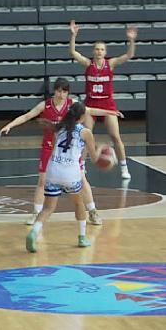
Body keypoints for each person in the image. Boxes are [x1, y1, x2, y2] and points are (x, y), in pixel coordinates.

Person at [0, 77, 123, 226]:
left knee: (82, 181)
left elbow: (89, 110)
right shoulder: (45, 105)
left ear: (68, 93)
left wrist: (109, 112)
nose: (61, 94)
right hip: (49, 148)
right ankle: (35, 213)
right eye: (58, 91)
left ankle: (92, 211)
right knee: (42, 181)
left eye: (64, 91)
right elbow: (27, 116)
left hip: (70, 150)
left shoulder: (72, 105)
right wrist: (10, 125)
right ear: (54, 91)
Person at [25, 102, 98, 253]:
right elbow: (95, 158)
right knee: (79, 204)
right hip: (70, 173)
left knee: (48, 208)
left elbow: (53, 150)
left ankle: (34, 232)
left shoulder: (59, 129)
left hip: (53, 170)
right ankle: (82, 237)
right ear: (83, 116)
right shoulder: (85, 132)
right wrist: (105, 151)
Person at [68, 20, 137, 179]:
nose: (99, 52)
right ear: (93, 51)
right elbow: (73, 52)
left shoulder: (110, 64)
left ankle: (124, 167)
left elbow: (129, 55)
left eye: (102, 49)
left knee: (115, 136)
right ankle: (81, 165)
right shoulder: (88, 64)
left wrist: (131, 40)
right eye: (97, 49)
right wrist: (73, 36)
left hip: (107, 104)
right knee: (86, 133)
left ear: (105, 52)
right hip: (91, 104)